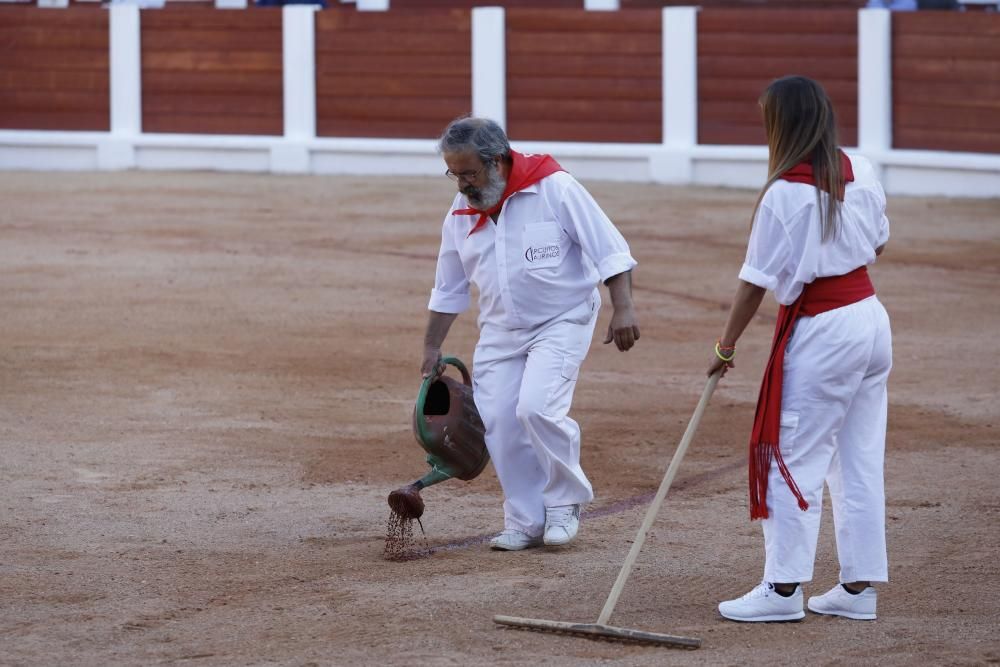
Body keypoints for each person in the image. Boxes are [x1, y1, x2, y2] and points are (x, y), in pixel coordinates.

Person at [708, 76, 892, 622]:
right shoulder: (860, 168)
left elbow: (754, 282)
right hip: (870, 320)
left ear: (781, 125)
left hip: (824, 330)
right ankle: (857, 591)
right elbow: (878, 240)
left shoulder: (783, 193)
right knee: (857, 458)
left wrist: (725, 346)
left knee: (793, 454)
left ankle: (783, 590)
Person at [422, 116, 640, 551]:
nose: (462, 184)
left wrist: (624, 307)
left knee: (536, 409)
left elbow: (609, 248)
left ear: (498, 162)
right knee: (500, 422)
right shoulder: (460, 212)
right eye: (454, 173)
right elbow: (448, 285)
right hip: (500, 330)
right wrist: (431, 344)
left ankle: (564, 501)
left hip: (563, 318)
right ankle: (525, 517)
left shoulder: (555, 188)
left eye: (469, 173)